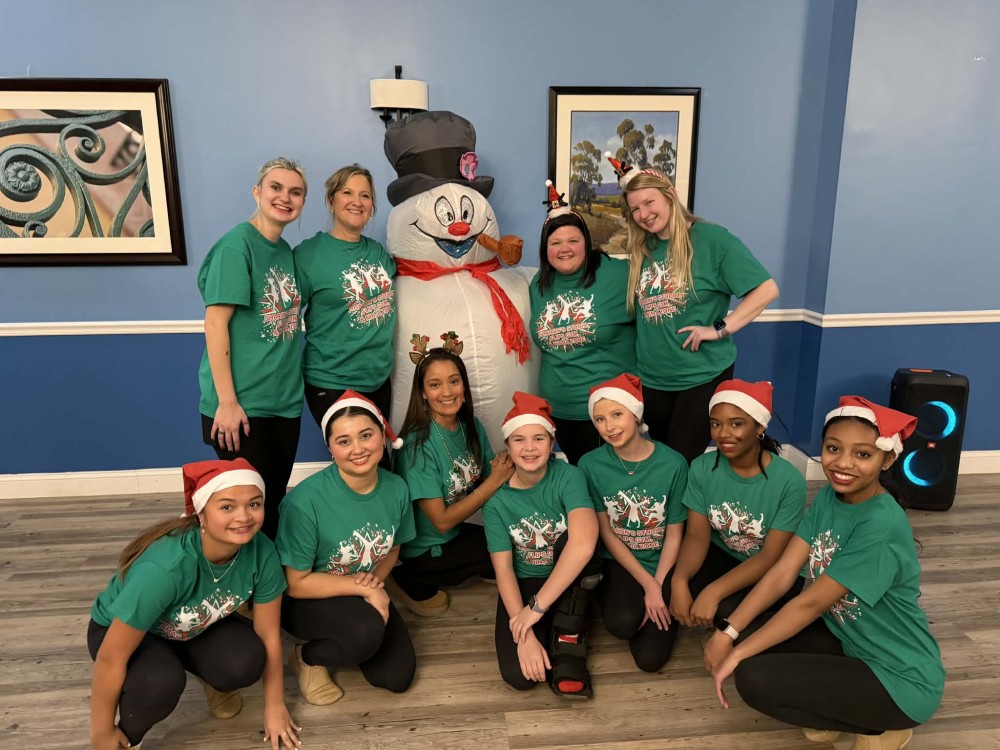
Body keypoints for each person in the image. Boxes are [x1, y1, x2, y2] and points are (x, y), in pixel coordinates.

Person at [710, 396, 945, 750]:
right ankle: (840, 706)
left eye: (862, 454)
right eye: (834, 448)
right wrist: (728, 632)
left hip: (900, 678)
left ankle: (882, 728)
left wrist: (735, 654)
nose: (843, 463)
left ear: (887, 460)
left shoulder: (880, 526)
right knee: (744, 634)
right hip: (849, 638)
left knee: (752, 677)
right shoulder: (830, 497)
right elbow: (783, 571)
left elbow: (809, 604)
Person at [88, 459, 298, 750]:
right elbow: (111, 658)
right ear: (201, 514)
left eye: (254, 504)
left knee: (245, 661)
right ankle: (126, 740)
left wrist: (274, 706)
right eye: (227, 507)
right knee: (160, 683)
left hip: (192, 625)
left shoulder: (262, 552)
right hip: (127, 632)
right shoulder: (165, 568)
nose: (244, 517)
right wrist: (100, 732)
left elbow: (268, 635)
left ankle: (203, 673)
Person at [611, 156, 779, 463]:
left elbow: (766, 289)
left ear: (670, 195)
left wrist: (720, 328)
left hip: (700, 375)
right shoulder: (644, 248)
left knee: (680, 461)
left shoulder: (712, 240)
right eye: (635, 209)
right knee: (666, 459)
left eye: (649, 203)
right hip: (653, 378)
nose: (643, 215)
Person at [276, 391, 416, 706]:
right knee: (364, 633)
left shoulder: (397, 489)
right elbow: (295, 582)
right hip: (307, 598)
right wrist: (364, 588)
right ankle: (306, 657)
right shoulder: (304, 503)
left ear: (382, 435)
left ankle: (356, 634)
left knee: (397, 677)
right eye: (344, 441)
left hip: (361, 587)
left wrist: (373, 583)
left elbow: (394, 548)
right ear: (330, 448)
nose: (358, 449)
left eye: (366, 435)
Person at [198, 157, 307, 540]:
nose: (285, 197)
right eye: (276, 188)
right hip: (242, 406)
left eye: (295, 192)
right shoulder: (237, 246)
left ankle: (271, 575)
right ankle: (242, 577)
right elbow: (215, 324)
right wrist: (227, 402)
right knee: (247, 514)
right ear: (257, 192)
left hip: (283, 401)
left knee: (272, 504)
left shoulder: (285, 252)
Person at [483, 392, 600, 698]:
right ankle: (549, 629)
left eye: (539, 438)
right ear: (508, 446)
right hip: (527, 579)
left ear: (551, 442)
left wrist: (535, 609)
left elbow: (584, 544)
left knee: (574, 540)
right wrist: (523, 632)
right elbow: (503, 569)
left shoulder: (569, 477)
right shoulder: (496, 500)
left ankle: (568, 635)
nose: (530, 448)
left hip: (569, 576)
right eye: (519, 440)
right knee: (518, 676)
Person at [390, 337, 514, 615]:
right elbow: (442, 521)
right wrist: (496, 480)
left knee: (518, 538)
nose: (447, 392)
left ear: (464, 386)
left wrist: (509, 465)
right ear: (423, 393)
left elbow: (490, 477)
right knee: (507, 549)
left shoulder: (470, 426)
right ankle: (407, 579)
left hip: (455, 533)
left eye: (454, 381)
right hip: (427, 548)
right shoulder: (416, 445)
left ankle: (480, 563)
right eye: (435, 384)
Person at [670, 380, 807, 631]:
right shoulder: (701, 468)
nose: (723, 434)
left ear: (759, 427)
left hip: (772, 568)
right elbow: (697, 535)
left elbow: (771, 555)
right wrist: (679, 581)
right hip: (724, 554)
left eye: (736, 424)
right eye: (716, 424)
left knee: (725, 611)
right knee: (674, 585)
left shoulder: (789, 481)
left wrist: (713, 591)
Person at [577, 373, 688, 672]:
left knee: (650, 660)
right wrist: (648, 586)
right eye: (600, 419)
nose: (609, 427)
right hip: (620, 560)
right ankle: (623, 600)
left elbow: (675, 534)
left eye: (617, 415)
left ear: (636, 414)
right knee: (623, 624)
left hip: (664, 561)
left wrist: (659, 586)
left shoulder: (674, 463)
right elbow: (606, 532)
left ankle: (653, 608)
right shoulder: (589, 464)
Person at [529, 181, 636, 464]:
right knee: (581, 478)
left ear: (586, 243)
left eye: (573, 241)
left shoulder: (619, 274)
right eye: (555, 243)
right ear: (545, 248)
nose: (564, 249)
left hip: (610, 411)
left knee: (613, 482)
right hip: (560, 411)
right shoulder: (539, 285)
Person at [294, 164, 397, 430]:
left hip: (378, 380)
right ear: (331, 201)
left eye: (365, 195)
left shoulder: (379, 254)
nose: (357, 202)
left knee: (378, 453)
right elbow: (283, 320)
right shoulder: (308, 255)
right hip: (332, 381)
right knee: (355, 452)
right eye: (347, 192)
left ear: (372, 205)